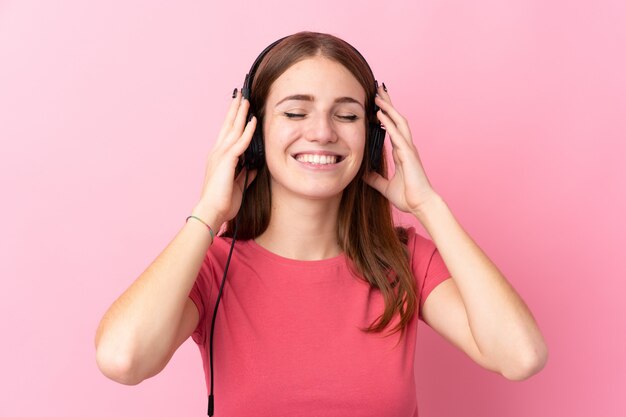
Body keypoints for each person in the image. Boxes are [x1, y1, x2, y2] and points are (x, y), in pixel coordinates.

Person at [95, 31, 548, 416]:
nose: (323, 132)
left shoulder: (404, 261)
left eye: (347, 115)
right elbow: (122, 359)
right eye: (295, 112)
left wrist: (427, 204)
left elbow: (521, 356)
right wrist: (207, 214)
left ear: (371, 137)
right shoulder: (209, 268)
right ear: (252, 134)